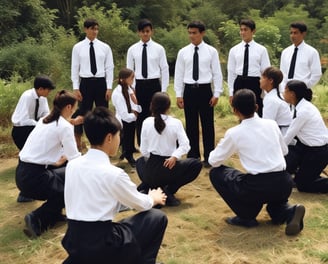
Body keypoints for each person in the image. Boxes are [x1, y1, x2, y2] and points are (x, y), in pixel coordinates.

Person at [62, 106, 168, 264]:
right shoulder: (113, 174)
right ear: (109, 138)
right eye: (119, 135)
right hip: (102, 244)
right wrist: (153, 198)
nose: (120, 140)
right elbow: (140, 204)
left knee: (121, 226)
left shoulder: (73, 165)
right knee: (156, 217)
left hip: (74, 240)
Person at [208, 89, 305, 236]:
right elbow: (284, 151)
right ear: (256, 107)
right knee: (274, 209)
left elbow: (213, 161)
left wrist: (223, 143)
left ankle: (246, 216)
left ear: (235, 111)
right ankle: (290, 212)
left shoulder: (235, 132)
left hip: (257, 186)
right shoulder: (272, 125)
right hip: (284, 182)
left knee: (216, 173)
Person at [16, 90, 82, 238]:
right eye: (75, 107)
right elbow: (75, 159)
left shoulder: (45, 119)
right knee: (68, 188)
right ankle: (36, 218)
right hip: (34, 178)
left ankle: (54, 215)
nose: (76, 111)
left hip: (22, 172)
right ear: (69, 107)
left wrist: (57, 160)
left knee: (64, 176)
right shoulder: (65, 127)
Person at [136, 92, 202, 206]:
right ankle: (168, 190)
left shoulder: (146, 122)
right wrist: (174, 157)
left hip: (152, 167)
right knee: (196, 164)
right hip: (170, 165)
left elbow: (144, 150)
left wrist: (151, 161)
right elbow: (185, 145)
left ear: (151, 105)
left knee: (139, 161)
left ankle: (150, 187)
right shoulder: (176, 123)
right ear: (168, 107)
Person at [174, 20, 223, 167]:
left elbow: (217, 73)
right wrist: (178, 94)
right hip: (189, 90)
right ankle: (193, 156)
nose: (191, 36)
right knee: (191, 124)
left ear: (202, 33)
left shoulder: (211, 51)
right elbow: (179, 74)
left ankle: (209, 156)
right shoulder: (183, 52)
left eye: (194, 33)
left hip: (205, 90)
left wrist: (217, 93)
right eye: (189, 33)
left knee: (208, 124)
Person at [71, 18, 114, 150]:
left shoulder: (104, 47)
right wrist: (76, 87)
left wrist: (109, 87)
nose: (95, 31)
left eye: (96, 29)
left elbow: (109, 68)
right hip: (85, 83)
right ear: (85, 29)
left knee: (103, 113)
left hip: (101, 82)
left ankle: (103, 141)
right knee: (84, 113)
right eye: (92, 29)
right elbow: (75, 68)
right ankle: (80, 142)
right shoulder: (78, 47)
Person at [11, 75, 56, 203]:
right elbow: (22, 120)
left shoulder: (42, 98)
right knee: (27, 157)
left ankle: (28, 189)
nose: (49, 92)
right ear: (40, 88)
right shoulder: (27, 96)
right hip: (22, 130)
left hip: (32, 128)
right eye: (48, 90)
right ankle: (24, 193)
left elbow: (44, 114)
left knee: (34, 157)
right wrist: (40, 124)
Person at [127, 18, 169, 146]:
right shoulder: (132, 49)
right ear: (138, 33)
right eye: (142, 31)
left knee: (156, 114)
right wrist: (131, 89)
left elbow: (164, 69)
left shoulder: (159, 48)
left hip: (154, 84)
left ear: (151, 32)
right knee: (140, 114)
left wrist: (164, 90)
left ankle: (157, 141)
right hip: (139, 85)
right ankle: (142, 144)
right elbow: (130, 70)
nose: (145, 34)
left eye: (147, 31)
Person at [283, 80, 328, 193]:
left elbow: (288, 137)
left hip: (318, 152)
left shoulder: (303, 111)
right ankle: (305, 173)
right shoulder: (301, 105)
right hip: (308, 148)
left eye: (285, 90)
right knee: (300, 178)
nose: (283, 93)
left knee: (303, 185)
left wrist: (272, 153)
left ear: (292, 94)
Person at [227, 18, 271, 117]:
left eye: (245, 29)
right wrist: (231, 92)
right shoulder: (234, 50)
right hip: (239, 82)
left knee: (257, 111)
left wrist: (266, 91)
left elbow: (266, 71)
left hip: (255, 82)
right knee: (240, 112)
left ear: (253, 31)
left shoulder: (261, 50)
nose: (242, 32)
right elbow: (231, 72)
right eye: (241, 30)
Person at [280, 21, 322, 97]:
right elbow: (283, 74)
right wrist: (283, 89)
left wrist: (304, 86)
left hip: (303, 91)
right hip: (286, 91)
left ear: (303, 34)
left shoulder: (312, 52)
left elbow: (316, 74)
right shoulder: (285, 52)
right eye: (291, 33)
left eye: (295, 33)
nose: (292, 36)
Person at [112, 68, 141, 167]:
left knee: (130, 135)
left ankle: (127, 151)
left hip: (130, 118)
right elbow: (124, 115)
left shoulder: (129, 89)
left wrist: (136, 105)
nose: (133, 80)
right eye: (131, 78)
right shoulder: (118, 93)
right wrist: (135, 114)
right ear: (122, 79)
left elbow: (135, 105)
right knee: (127, 136)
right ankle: (128, 155)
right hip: (124, 120)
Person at [260, 66, 292, 135]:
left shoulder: (271, 99)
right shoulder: (276, 95)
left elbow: (267, 125)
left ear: (271, 80)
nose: (260, 80)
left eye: (262, 78)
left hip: (281, 135)